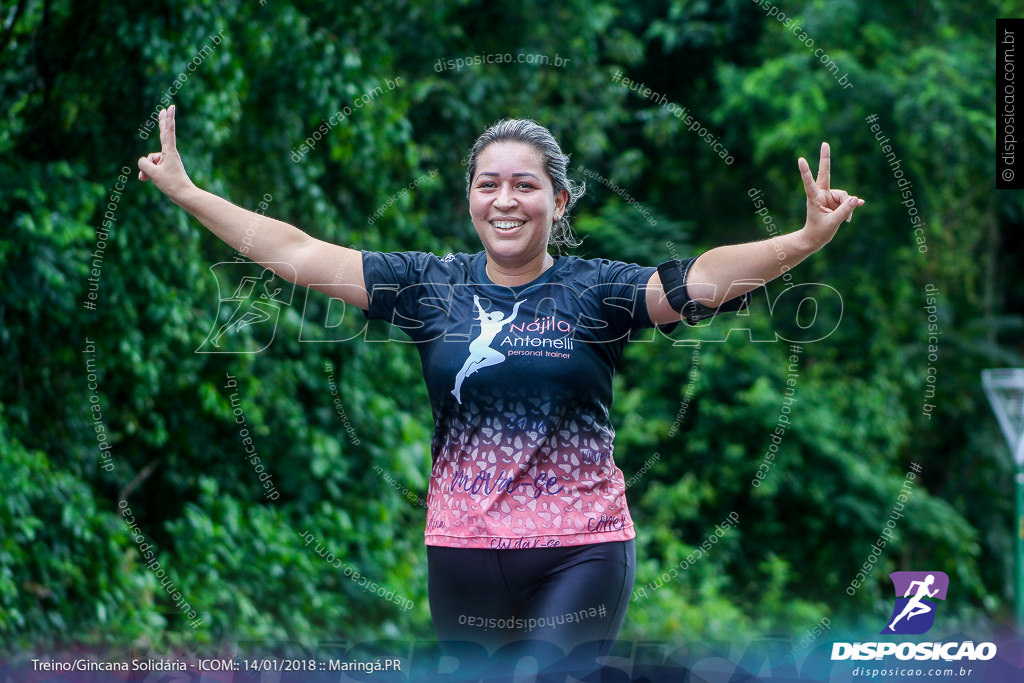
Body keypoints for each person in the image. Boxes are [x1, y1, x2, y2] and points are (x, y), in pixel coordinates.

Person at [138, 106, 863, 676]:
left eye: (525, 184)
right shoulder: (428, 285)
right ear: (470, 199)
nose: (505, 199)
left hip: (582, 551)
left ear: (559, 198)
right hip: (461, 552)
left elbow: (699, 280)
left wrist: (801, 241)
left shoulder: (596, 290)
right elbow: (294, 252)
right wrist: (190, 193)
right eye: (490, 183)